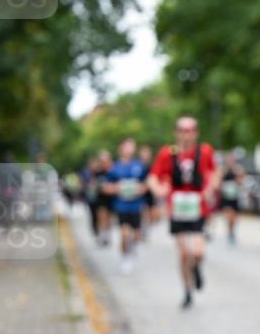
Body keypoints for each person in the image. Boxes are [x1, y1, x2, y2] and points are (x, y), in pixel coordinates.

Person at [147, 116, 219, 308]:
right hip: (177, 209)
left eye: (190, 130)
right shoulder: (167, 153)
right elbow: (153, 178)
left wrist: (209, 189)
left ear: (196, 133)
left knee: (198, 251)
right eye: (183, 130)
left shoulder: (205, 152)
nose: (186, 135)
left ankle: (196, 268)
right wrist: (159, 190)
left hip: (198, 208)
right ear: (176, 133)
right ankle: (187, 290)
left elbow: (214, 173)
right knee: (183, 254)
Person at [104, 138, 147, 274]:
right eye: (127, 146)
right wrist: (117, 188)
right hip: (121, 206)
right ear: (121, 148)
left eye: (132, 146)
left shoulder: (139, 165)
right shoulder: (114, 167)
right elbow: (106, 187)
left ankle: (133, 248)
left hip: (136, 206)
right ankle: (125, 258)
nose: (130, 149)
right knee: (124, 233)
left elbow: (147, 184)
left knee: (136, 235)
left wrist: (140, 189)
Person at [218, 152, 246, 245]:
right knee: (229, 216)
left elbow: (242, 181)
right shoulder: (223, 169)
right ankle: (229, 233)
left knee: (234, 218)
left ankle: (232, 231)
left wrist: (238, 177)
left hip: (235, 196)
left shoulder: (238, 169)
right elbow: (218, 181)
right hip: (226, 197)